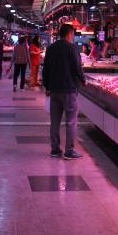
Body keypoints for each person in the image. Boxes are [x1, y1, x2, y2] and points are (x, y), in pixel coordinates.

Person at [42, 24, 86, 160]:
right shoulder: (72, 48)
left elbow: (46, 69)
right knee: (71, 121)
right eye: (73, 34)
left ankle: (55, 149)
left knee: (54, 121)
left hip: (54, 90)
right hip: (69, 90)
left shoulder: (51, 48)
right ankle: (69, 151)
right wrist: (83, 80)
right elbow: (77, 67)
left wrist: (47, 86)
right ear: (69, 34)